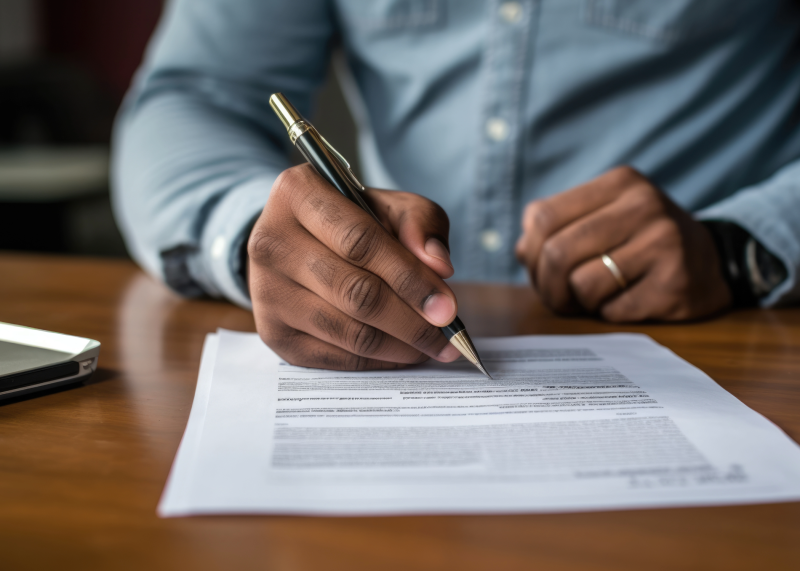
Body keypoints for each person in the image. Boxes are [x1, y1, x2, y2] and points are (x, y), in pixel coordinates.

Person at [113, 0, 799, 370]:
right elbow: (192, 97)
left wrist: (743, 246)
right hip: (392, 332)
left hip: (734, 341)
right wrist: (259, 237)